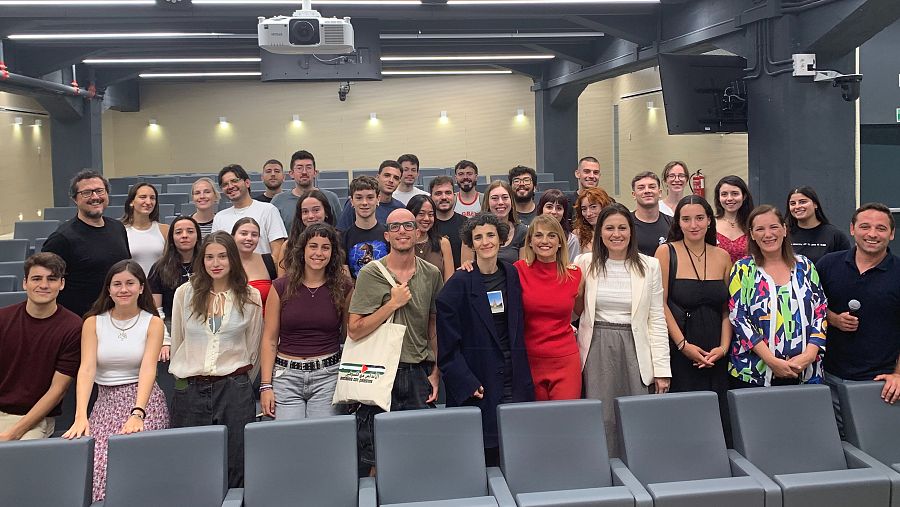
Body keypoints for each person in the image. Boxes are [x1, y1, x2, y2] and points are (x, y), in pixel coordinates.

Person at [62, 260, 169, 502]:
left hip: (144, 400)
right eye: (117, 284)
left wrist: (138, 413)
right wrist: (81, 415)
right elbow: (87, 369)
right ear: (108, 289)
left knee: (136, 462)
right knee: (98, 465)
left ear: (141, 287)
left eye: (130, 283)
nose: (123, 289)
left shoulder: (152, 322)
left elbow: (148, 369)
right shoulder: (93, 322)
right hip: (105, 401)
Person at [348, 208, 444, 473]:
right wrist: (392, 304)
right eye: (396, 227)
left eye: (408, 225)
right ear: (387, 235)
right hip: (378, 373)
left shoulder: (431, 274)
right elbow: (355, 329)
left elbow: (433, 324)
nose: (402, 231)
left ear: (417, 232)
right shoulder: (370, 273)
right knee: (374, 457)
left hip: (417, 372)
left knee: (420, 453)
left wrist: (436, 371)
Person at [437, 213, 534, 466]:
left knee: (517, 450)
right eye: (478, 237)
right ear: (471, 243)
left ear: (501, 239)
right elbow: (447, 348)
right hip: (479, 382)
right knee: (483, 455)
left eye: (490, 235)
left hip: (514, 377)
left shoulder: (512, 275)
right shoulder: (458, 283)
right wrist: (466, 382)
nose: (485, 242)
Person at [574, 203, 670, 458]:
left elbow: (656, 318)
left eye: (622, 228)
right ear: (600, 232)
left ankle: (639, 470)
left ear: (631, 231)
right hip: (596, 346)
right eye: (609, 228)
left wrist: (662, 370)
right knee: (602, 416)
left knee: (636, 415)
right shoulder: (584, 263)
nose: (616, 234)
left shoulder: (649, 266)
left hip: (636, 346)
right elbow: (573, 309)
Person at [169, 231, 263, 488]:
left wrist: (236, 380)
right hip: (190, 388)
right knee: (190, 461)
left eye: (222, 256)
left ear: (233, 258)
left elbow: (253, 348)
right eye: (209, 257)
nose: (216, 263)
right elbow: (178, 341)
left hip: (233, 389)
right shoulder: (184, 294)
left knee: (236, 463)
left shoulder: (250, 296)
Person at [655, 196, 732, 436]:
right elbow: (661, 303)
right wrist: (683, 345)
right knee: (683, 421)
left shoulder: (722, 256)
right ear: (678, 223)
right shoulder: (666, 252)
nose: (693, 225)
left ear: (709, 220)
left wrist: (724, 347)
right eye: (686, 219)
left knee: (717, 421)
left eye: (699, 218)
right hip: (681, 348)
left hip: (716, 353)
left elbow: (727, 308)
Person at [260, 224, 353, 420]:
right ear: (303, 250)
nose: (318, 253)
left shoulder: (344, 288)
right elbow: (269, 339)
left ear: (333, 253)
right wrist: (266, 385)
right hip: (286, 376)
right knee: (290, 442)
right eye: (313, 246)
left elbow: (348, 334)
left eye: (325, 247)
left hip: (328, 375)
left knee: (322, 442)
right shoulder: (280, 287)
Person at [728, 205, 827, 389]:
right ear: (752, 234)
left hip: (806, 372)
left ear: (784, 229)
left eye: (773, 227)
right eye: (760, 229)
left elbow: (820, 311)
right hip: (754, 374)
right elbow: (738, 317)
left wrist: (810, 355)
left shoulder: (805, 266)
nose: (768, 234)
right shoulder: (743, 269)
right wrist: (770, 360)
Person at [817, 203, 900, 407]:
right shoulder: (828, 264)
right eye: (865, 227)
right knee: (830, 438)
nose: (872, 234)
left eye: (881, 228)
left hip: (881, 384)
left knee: (874, 439)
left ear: (892, 234)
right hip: (828, 378)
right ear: (852, 229)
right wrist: (833, 318)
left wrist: (898, 375)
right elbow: (810, 308)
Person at [0, 253, 81, 441]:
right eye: (36, 278)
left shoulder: (72, 327)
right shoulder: (3, 319)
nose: (44, 285)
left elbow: (58, 390)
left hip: (34, 420)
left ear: (61, 284)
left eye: (51, 279)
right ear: (25, 283)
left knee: (17, 461)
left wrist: (13, 433)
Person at [43, 170, 131, 317]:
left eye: (99, 191)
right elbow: (47, 286)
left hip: (119, 316)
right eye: (87, 193)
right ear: (75, 199)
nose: (95, 197)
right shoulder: (61, 239)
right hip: (81, 322)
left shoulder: (118, 228)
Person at [515, 215, 582, 400]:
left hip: (565, 360)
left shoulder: (574, 274)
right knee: (536, 423)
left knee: (564, 421)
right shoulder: (517, 270)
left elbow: (582, 311)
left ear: (560, 242)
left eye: (552, 236)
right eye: (538, 235)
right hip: (529, 360)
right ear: (530, 241)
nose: (545, 241)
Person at [147, 216, 200, 361]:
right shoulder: (159, 268)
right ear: (171, 238)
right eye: (178, 232)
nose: (184, 236)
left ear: (197, 236)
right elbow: (156, 310)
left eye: (190, 231)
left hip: (203, 325)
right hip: (171, 326)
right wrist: (164, 340)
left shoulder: (207, 264)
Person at [212, 164, 287, 256]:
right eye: (225, 184)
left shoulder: (268, 210)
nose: (230, 186)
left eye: (234, 181)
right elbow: (216, 251)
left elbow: (278, 251)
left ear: (247, 183)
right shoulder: (220, 217)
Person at [271, 150, 342, 229]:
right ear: (291, 173)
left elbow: (339, 229)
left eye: (308, 167)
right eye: (299, 168)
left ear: (315, 172)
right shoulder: (278, 201)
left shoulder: (331, 198)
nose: (304, 172)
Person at [786, 186, 851, 264]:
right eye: (793, 203)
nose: (797, 206)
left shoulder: (835, 236)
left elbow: (845, 267)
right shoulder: (784, 234)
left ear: (815, 204)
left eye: (803, 202)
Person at [278, 189, 336, 274]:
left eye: (316, 210)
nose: (311, 216)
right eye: (305, 211)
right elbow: (281, 283)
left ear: (326, 212)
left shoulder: (337, 242)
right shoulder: (288, 246)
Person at [342, 176, 389, 279]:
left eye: (370, 197)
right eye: (359, 198)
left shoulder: (389, 234)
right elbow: (346, 279)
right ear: (351, 201)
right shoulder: (343, 238)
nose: (364, 203)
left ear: (378, 199)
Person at [336, 160, 405, 230]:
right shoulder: (356, 204)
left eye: (396, 178)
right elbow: (341, 232)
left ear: (399, 182)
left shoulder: (400, 208)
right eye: (387, 175)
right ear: (378, 177)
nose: (391, 180)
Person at [122, 182, 169, 277]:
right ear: (131, 202)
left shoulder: (165, 230)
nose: (148, 202)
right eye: (143, 197)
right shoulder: (120, 230)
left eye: (152, 198)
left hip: (158, 288)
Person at [232, 218, 278, 309]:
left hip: (265, 321)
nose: (249, 238)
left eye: (254, 235)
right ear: (233, 236)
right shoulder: (224, 264)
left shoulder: (269, 261)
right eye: (244, 233)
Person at [407, 194, 454, 281]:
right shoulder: (403, 243)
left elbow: (449, 282)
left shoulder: (443, 243)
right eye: (421, 214)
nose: (426, 218)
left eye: (431, 214)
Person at [714, 175, 754, 264]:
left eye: (735, 193)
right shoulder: (710, 224)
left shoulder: (753, 224)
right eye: (724, 194)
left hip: (747, 277)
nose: (729, 198)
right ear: (718, 198)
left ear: (744, 196)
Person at [631, 171, 673, 256]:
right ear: (634, 195)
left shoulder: (672, 223)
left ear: (660, 193)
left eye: (652, 187)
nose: (647, 191)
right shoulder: (626, 224)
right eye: (641, 188)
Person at [430, 176, 465, 268]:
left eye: (448, 193)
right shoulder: (426, 225)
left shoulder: (467, 224)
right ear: (431, 197)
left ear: (454, 196)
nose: (444, 197)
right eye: (438, 193)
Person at [537, 189, 580, 262]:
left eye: (559, 208)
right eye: (549, 207)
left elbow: (571, 267)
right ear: (541, 209)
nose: (554, 212)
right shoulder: (530, 235)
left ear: (564, 212)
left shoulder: (571, 240)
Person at [573, 187, 615, 255]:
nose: (588, 213)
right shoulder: (578, 234)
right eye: (584, 209)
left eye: (593, 207)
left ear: (604, 206)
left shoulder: (616, 232)